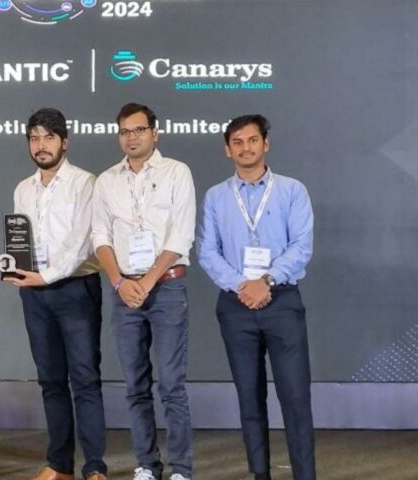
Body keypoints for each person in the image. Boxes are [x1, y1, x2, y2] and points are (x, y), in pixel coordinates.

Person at [197, 114, 315, 480]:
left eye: (252, 140)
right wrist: (242, 285)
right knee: (249, 399)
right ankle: (259, 475)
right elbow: (207, 251)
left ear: (266, 143)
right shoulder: (216, 196)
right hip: (236, 306)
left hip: (282, 302)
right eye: (237, 142)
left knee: (296, 399)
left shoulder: (292, 190)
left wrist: (266, 281)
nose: (245, 148)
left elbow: (301, 246)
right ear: (227, 149)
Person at [92, 103, 195, 480]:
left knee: (171, 384)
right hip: (124, 291)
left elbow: (181, 235)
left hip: (165, 288)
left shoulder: (176, 172)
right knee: (135, 385)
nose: (131, 137)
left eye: (138, 130)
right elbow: (100, 236)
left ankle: (181, 469)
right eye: (124, 131)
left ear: (155, 132)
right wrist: (120, 282)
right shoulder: (107, 181)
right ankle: (147, 465)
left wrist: (147, 281)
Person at [5, 108, 108, 480]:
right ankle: (59, 465)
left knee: (85, 379)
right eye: (34, 138)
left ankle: (94, 467)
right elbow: (21, 239)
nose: (41, 145)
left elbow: (83, 242)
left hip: (76, 289)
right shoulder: (23, 189)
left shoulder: (85, 183)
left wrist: (45, 276)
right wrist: (16, 267)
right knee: (50, 380)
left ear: (65, 141)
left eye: (49, 137)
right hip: (35, 293)